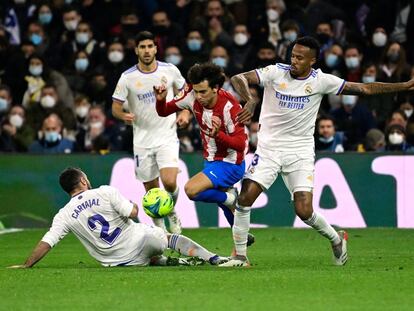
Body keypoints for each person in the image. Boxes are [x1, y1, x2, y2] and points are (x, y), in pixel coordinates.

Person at [222, 36, 414, 267]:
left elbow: (363, 88)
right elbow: (238, 78)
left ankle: (337, 239)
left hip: (300, 152)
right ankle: (240, 257)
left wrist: (404, 86)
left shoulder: (322, 81)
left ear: (312, 61)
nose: (294, 61)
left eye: (300, 58)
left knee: (304, 211)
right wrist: (250, 100)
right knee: (245, 199)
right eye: (293, 55)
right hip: (269, 149)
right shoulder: (275, 72)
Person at [8, 168, 228, 268]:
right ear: (83, 181)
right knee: (167, 238)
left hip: (117, 262)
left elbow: (47, 242)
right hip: (139, 241)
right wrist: (134, 205)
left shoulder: (64, 214)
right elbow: (132, 213)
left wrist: (27, 265)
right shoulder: (104, 192)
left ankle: (171, 261)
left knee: (149, 256)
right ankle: (213, 258)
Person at [154, 63, 254, 247]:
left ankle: (233, 198)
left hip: (231, 163)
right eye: (196, 91)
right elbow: (163, 111)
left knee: (191, 190)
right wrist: (160, 99)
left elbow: (240, 145)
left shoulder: (230, 107)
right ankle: (242, 238)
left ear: (216, 88)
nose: (198, 97)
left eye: (203, 92)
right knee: (223, 203)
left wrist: (219, 135)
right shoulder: (192, 95)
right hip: (211, 160)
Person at [111, 31, 190, 234]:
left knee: (170, 182)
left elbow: (185, 95)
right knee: (152, 192)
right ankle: (159, 231)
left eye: (150, 46)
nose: (146, 51)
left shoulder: (170, 70)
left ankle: (171, 212)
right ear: (136, 50)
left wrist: (184, 113)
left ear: (156, 48)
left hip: (167, 135)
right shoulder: (127, 77)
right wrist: (123, 116)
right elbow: (115, 107)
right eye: (142, 47)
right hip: (142, 140)